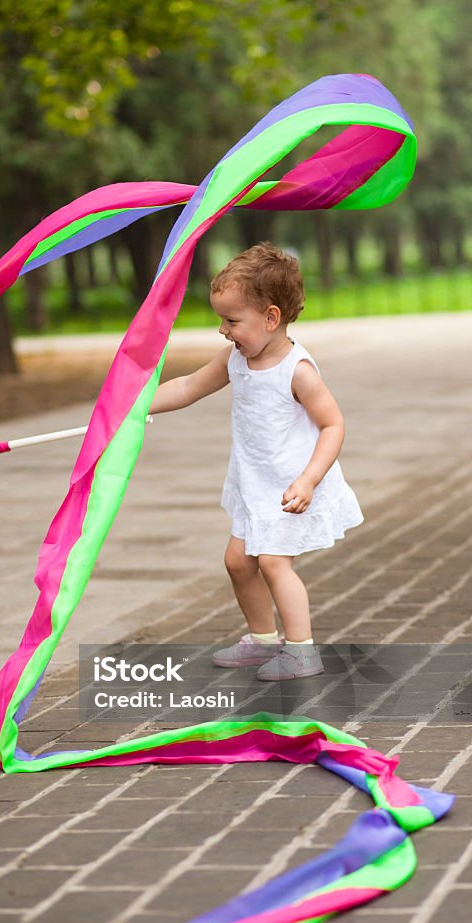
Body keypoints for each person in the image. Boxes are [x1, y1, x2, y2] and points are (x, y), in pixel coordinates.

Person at [148, 242, 363, 679]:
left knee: (272, 562)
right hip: (253, 482)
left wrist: (308, 480)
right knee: (237, 561)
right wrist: (135, 406)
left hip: (290, 488)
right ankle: (264, 640)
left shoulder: (297, 369)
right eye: (220, 320)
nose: (223, 331)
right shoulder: (235, 359)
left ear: (270, 317)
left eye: (231, 320)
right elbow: (189, 386)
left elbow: (333, 425)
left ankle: (302, 650)